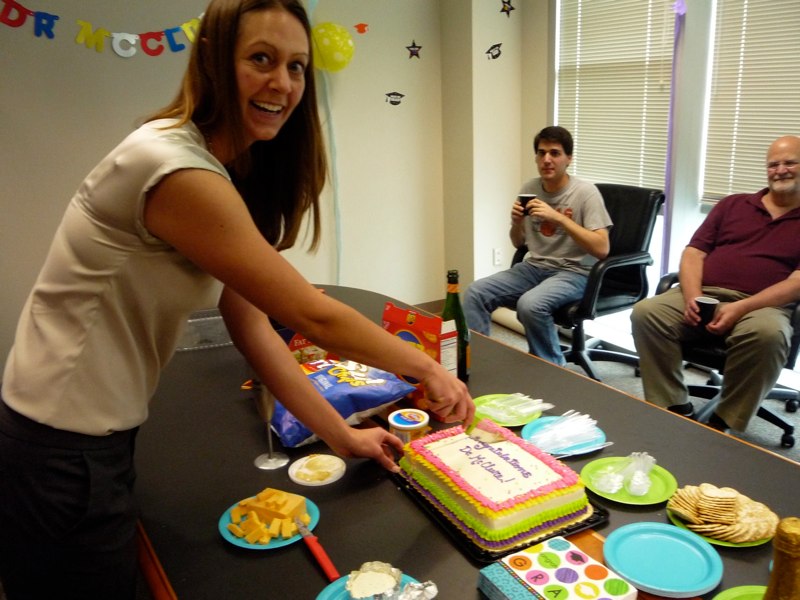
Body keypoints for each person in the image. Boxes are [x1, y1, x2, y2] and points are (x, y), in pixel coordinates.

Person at [0, 1, 474, 598]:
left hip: (88, 435)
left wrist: (341, 435)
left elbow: (252, 327)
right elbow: (311, 313)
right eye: (261, 59)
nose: (283, 83)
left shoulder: (216, 168)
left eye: (297, 66)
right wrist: (429, 369)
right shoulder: (174, 167)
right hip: (60, 445)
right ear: (214, 61)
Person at [631, 135, 800, 434]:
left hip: (762, 305)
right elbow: (693, 253)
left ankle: (725, 421)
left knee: (768, 335)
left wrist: (741, 307)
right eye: (773, 164)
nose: (780, 170)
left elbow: (797, 282)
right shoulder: (733, 205)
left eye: (790, 163)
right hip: (706, 293)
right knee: (647, 313)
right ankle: (673, 405)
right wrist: (693, 297)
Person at [463, 126, 612, 365]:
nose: (547, 160)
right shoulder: (529, 190)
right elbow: (518, 243)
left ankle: (552, 370)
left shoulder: (585, 193)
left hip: (574, 272)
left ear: (569, 158)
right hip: (534, 267)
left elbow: (602, 248)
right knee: (475, 292)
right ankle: (479, 363)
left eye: (555, 153)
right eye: (541, 153)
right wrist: (516, 223)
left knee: (530, 305)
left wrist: (559, 218)